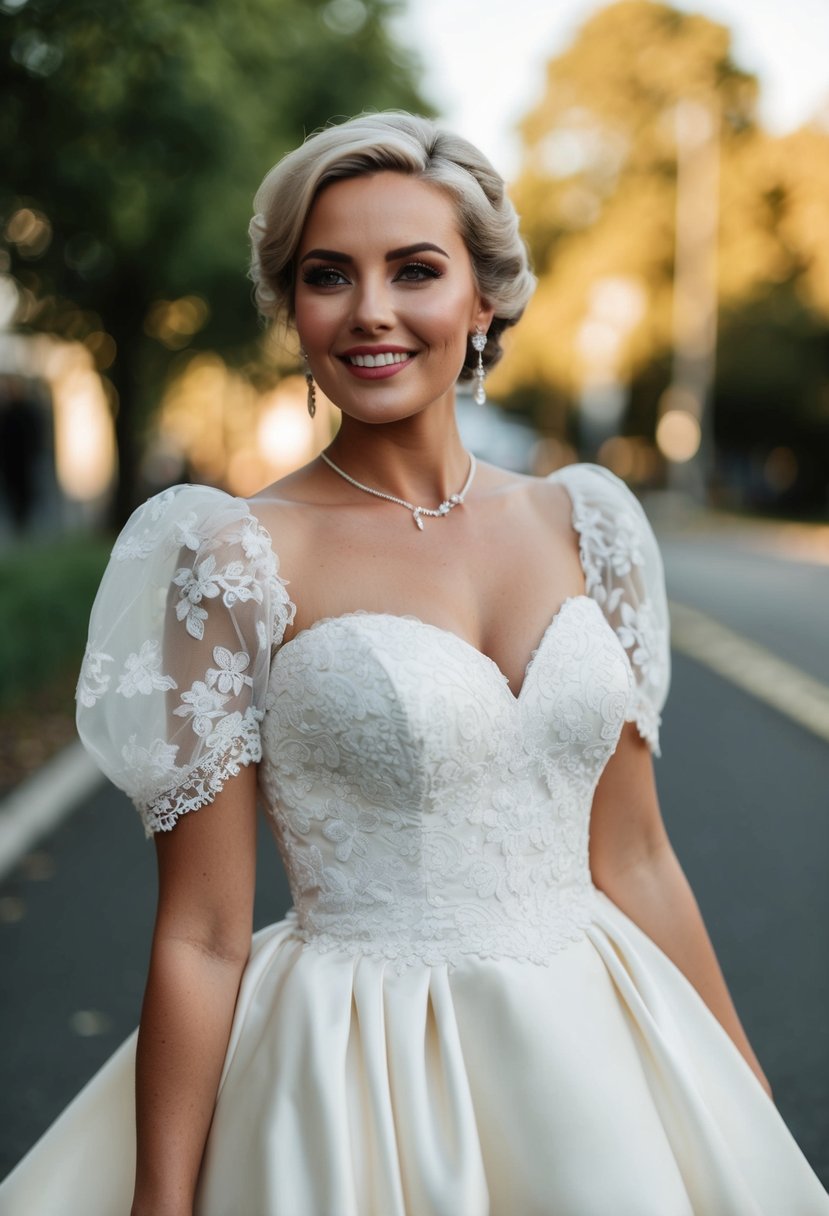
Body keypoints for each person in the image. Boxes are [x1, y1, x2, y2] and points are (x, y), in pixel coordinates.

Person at [1, 110, 826, 1216]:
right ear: (292, 309)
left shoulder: (590, 523)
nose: (371, 310)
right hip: (356, 1081)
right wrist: (162, 1199)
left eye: (416, 269)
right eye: (328, 275)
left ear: (482, 299)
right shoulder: (234, 553)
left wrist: (739, 1082)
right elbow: (202, 933)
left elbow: (634, 857)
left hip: (602, 1054)